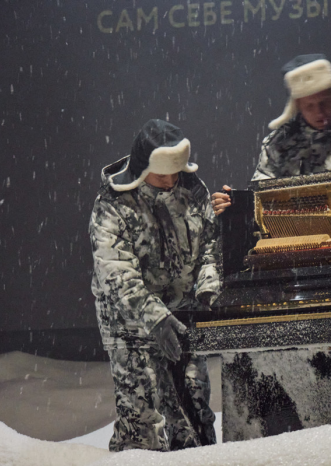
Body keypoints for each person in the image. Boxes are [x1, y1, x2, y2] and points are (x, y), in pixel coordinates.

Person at [89, 119, 220, 452]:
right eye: (162, 174)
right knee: (143, 418)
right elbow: (116, 274)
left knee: (194, 412)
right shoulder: (113, 206)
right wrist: (154, 317)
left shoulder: (193, 191)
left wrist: (208, 289)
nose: (170, 181)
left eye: (175, 172)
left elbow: (209, 245)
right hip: (130, 325)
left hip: (183, 315)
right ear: (142, 168)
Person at [211, 53, 331, 215]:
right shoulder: (278, 144)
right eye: (310, 106)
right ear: (298, 106)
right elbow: (260, 201)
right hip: (300, 242)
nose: (319, 112)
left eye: (324, 102)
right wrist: (232, 203)